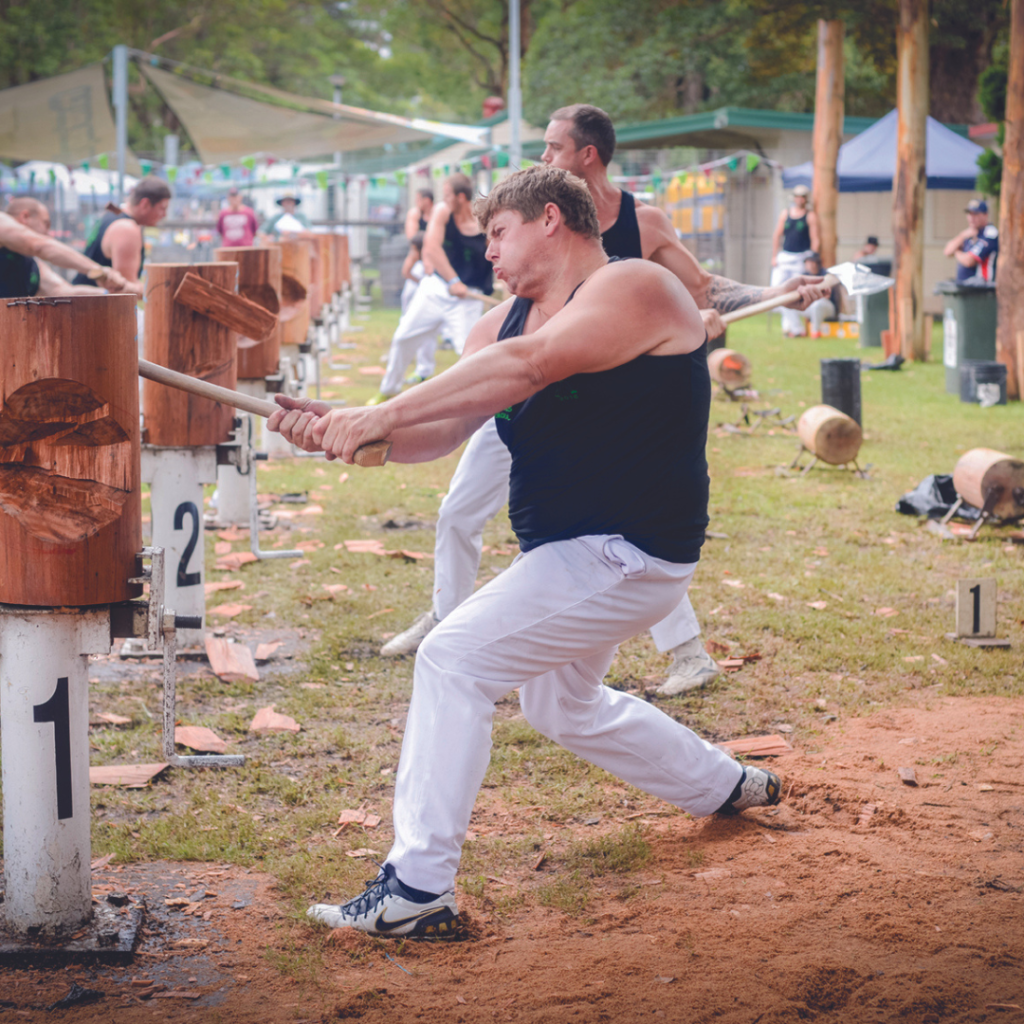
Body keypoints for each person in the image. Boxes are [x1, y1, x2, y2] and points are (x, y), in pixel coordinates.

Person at [269, 165, 782, 937]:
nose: (490, 258)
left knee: (451, 657)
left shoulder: (634, 286)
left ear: (550, 218)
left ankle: (416, 891)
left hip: (630, 550)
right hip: (576, 557)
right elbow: (439, 433)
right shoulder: (499, 323)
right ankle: (725, 785)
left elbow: (532, 367)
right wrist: (341, 433)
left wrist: (375, 410)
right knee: (562, 705)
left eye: (497, 236)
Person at [383, 103, 828, 697]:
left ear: (586, 155)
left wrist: (775, 292)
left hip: (600, 398)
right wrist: (373, 430)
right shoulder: (528, 254)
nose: (543, 157)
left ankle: (686, 649)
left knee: (625, 524)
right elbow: (509, 365)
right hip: (520, 396)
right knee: (461, 510)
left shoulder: (640, 224)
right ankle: (448, 614)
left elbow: (701, 289)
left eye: (552, 147)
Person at [365, 173, 493, 406]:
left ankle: (478, 405)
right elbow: (432, 247)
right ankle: (389, 390)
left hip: (469, 297)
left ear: (461, 197)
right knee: (403, 337)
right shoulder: (443, 212)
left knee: (470, 353)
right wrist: (453, 280)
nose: (443, 200)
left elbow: (495, 251)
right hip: (436, 288)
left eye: (447, 195)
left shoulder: (484, 220)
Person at [1, 198, 129, 298]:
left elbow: (62, 291)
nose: (47, 233)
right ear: (25, 217)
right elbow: (39, 245)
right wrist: (99, 271)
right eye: (46, 224)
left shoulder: (29, 264)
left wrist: (109, 294)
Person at [70, 176, 171, 295]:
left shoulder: (113, 215)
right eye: (162, 208)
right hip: (91, 308)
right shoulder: (127, 229)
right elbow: (125, 290)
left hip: (85, 302)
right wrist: (161, 291)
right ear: (145, 204)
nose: (164, 215)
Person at [770, 185, 820, 337]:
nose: (800, 199)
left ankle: (797, 328)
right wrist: (774, 255)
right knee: (776, 291)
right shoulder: (785, 213)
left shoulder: (810, 216)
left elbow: (815, 238)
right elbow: (777, 235)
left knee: (793, 293)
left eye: (802, 196)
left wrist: (812, 257)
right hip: (785, 257)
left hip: (800, 258)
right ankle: (788, 325)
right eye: (797, 196)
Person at [398, 231, 437, 386]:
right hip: (414, 294)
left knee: (428, 336)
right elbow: (406, 272)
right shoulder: (415, 257)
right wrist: (422, 282)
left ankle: (424, 368)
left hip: (424, 295)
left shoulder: (430, 256)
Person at [943, 199, 998, 283]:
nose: (971, 218)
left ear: (985, 215)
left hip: (982, 289)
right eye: (969, 214)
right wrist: (961, 236)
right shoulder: (969, 233)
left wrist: (957, 251)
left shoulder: (990, 233)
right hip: (966, 288)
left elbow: (969, 261)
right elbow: (947, 252)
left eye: (975, 214)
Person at [796, 253, 843, 338]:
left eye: (808, 262)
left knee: (817, 304)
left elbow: (826, 296)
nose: (806, 265)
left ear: (814, 263)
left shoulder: (826, 275)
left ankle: (815, 331)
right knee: (788, 306)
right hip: (810, 305)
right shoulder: (805, 275)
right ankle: (798, 331)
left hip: (827, 306)